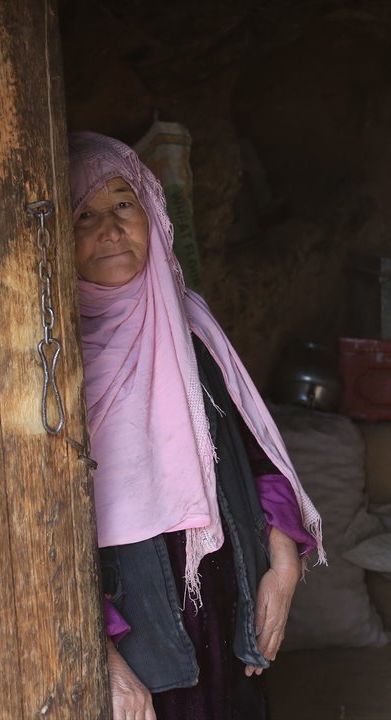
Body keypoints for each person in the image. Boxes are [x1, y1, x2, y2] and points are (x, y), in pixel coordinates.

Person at [68, 131, 326, 720]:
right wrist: (101, 655)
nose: (109, 229)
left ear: (153, 215)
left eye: (122, 204)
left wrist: (282, 563)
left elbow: (257, 460)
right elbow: (43, 528)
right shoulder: (57, 361)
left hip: (225, 607)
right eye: (84, 214)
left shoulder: (195, 333)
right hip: (131, 627)